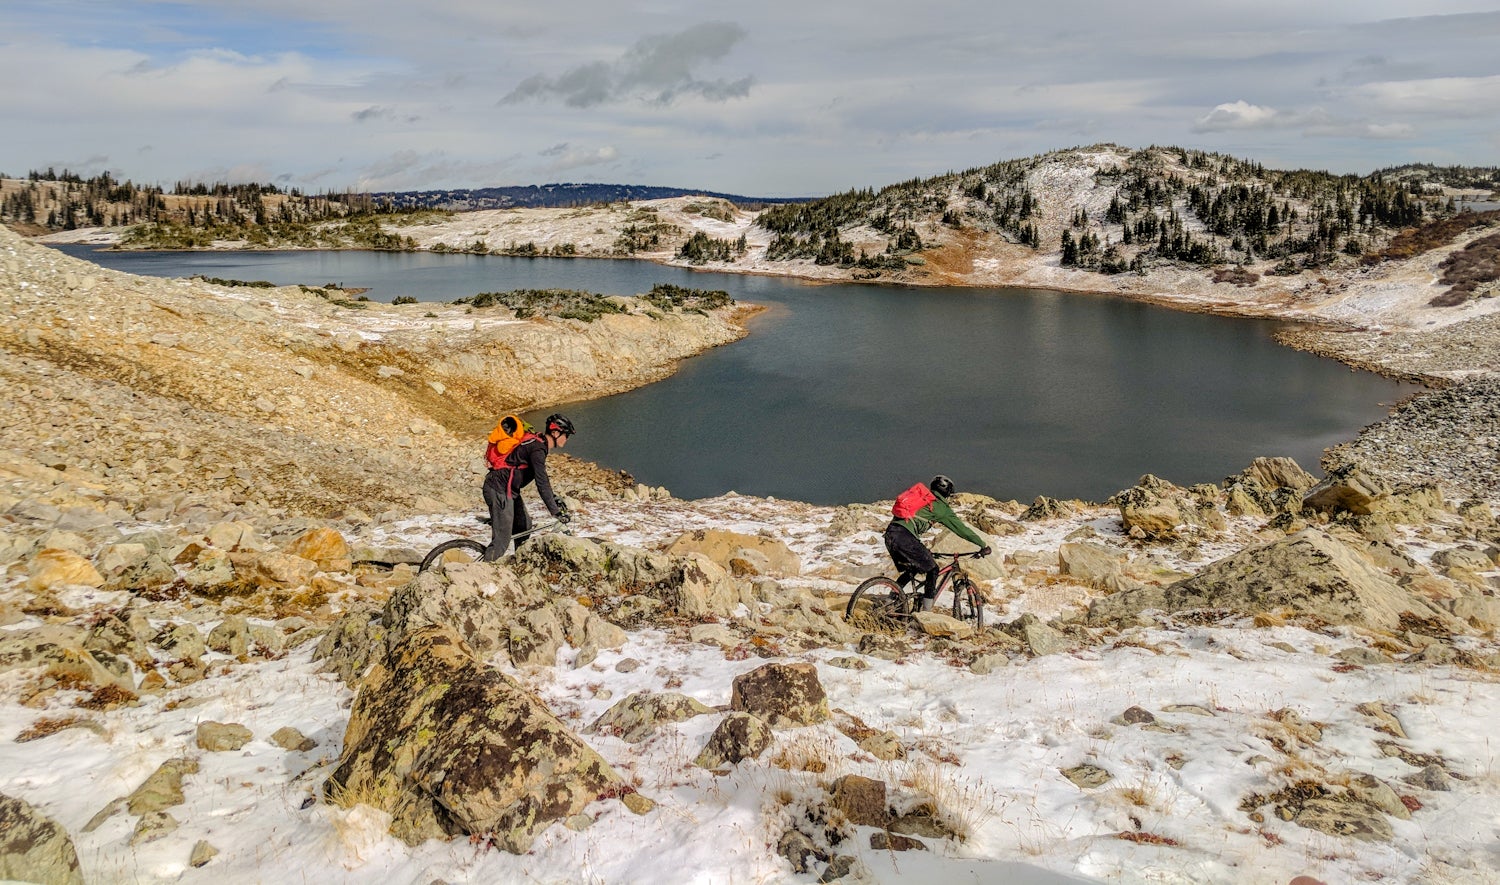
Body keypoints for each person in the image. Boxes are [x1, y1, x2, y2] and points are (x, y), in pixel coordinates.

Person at [884, 474, 992, 611]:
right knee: (933, 569)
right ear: (947, 493)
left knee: (913, 568)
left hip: (891, 535)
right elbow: (962, 529)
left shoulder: (923, 500)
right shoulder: (941, 507)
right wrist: (982, 545)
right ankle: (926, 612)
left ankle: (889, 601)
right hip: (904, 537)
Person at [481, 413, 574, 561]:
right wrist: (555, 511)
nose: (567, 439)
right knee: (501, 541)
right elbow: (541, 481)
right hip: (498, 489)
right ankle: (481, 574)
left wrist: (553, 498)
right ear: (556, 433)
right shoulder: (538, 449)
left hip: (509, 490)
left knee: (524, 526)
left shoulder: (537, 444)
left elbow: (543, 482)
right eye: (566, 435)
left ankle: (519, 561)